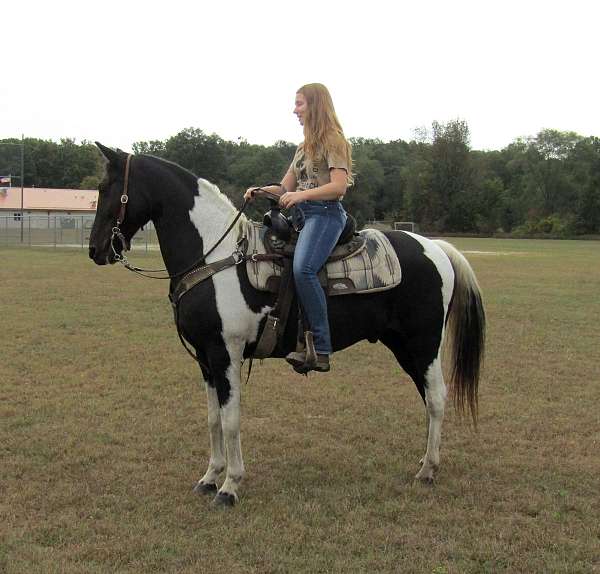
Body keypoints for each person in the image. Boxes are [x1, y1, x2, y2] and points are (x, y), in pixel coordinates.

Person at [244, 83, 353, 373]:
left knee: (303, 269)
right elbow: (284, 188)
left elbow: (339, 187)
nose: (295, 110)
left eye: (300, 104)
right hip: (302, 217)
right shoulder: (302, 148)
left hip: (326, 215)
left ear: (315, 105)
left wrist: (301, 196)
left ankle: (322, 348)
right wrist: (261, 190)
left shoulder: (334, 140)